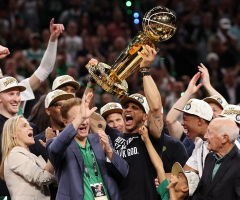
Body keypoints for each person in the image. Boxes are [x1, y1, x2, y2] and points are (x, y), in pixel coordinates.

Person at [88, 45, 164, 200]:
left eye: (135, 108)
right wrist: (92, 80)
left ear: (144, 117)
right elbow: (88, 114)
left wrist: (145, 70)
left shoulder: (149, 136)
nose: (128, 110)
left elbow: (155, 107)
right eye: (126, 106)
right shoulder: (114, 136)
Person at [46, 93, 129, 200]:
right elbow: (55, 150)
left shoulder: (101, 140)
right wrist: (80, 117)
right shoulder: (58, 144)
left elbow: (124, 171)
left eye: (86, 117)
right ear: (66, 122)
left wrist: (109, 152)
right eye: (78, 119)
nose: (83, 122)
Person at [30, 90, 74, 200]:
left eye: (67, 105)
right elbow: (36, 178)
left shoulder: (80, 137)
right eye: (59, 105)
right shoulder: (35, 142)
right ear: (48, 111)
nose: (64, 109)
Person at [0, 115, 56, 200]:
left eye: (29, 125)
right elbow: (43, 178)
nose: (31, 128)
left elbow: (53, 177)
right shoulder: (15, 154)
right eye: (24, 126)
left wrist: (56, 151)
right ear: (13, 133)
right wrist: (51, 151)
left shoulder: (31, 156)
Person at [139, 126, 199, 200]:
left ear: (185, 188)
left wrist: (171, 188)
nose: (172, 177)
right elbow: (159, 167)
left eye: (178, 177)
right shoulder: (167, 195)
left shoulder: (168, 192)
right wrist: (147, 140)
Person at [192, 118, 240, 199]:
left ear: (224, 138)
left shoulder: (238, 164)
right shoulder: (210, 157)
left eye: (209, 133)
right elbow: (200, 193)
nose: (205, 136)